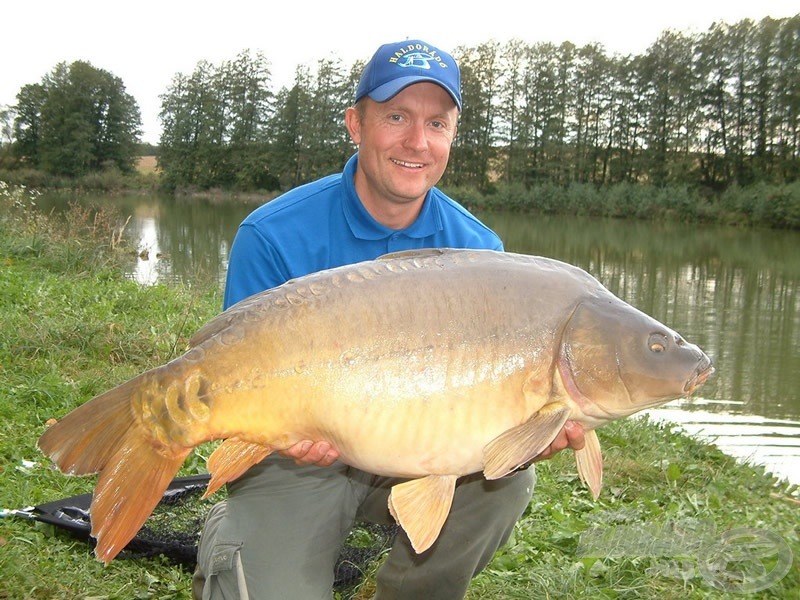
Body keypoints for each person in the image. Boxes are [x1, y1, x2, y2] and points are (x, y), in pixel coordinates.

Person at [192, 39, 585, 600]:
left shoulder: (478, 251)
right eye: (396, 116)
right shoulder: (274, 232)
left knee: (507, 480)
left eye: (437, 123)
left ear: (452, 136)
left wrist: (529, 429)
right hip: (296, 459)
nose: (416, 142)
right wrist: (284, 430)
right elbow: (235, 376)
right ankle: (236, 534)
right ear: (356, 123)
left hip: (419, 451)